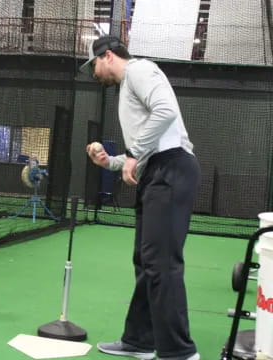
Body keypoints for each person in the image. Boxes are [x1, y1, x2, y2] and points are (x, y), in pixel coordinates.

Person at [81, 36, 201, 360]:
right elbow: (145, 154)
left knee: (161, 264)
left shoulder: (139, 70)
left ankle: (179, 352)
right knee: (147, 263)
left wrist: (133, 153)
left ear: (107, 56)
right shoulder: (127, 88)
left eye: (93, 64)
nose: (93, 72)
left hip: (172, 169)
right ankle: (139, 340)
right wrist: (110, 161)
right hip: (156, 171)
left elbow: (166, 111)